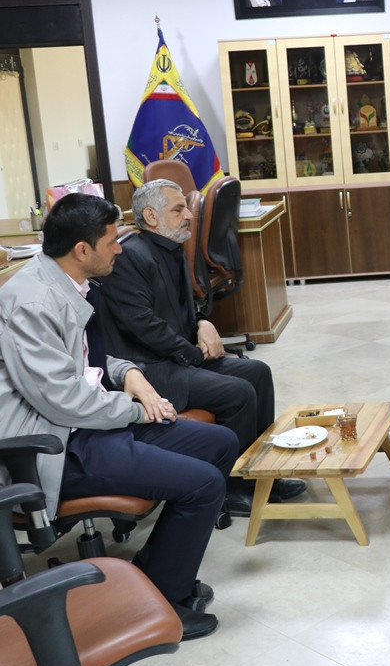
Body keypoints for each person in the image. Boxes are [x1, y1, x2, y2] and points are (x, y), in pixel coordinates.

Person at [0, 193, 238, 640]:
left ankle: (152, 574)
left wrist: (128, 373)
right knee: (204, 485)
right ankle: (162, 601)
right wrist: (135, 410)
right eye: (112, 241)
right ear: (82, 250)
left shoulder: (69, 282)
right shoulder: (31, 302)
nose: (120, 250)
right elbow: (61, 399)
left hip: (89, 424)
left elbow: (84, 358)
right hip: (56, 445)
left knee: (220, 442)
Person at [96, 179, 304, 516]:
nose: (190, 215)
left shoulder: (172, 246)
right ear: (151, 216)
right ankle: (232, 489)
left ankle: (262, 473)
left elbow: (187, 304)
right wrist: (192, 353)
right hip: (151, 369)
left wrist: (203, 322)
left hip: (176, 355)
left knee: (258, 372)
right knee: (238, 393)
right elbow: (143, 325)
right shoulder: (129, 257)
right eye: (178, 209)